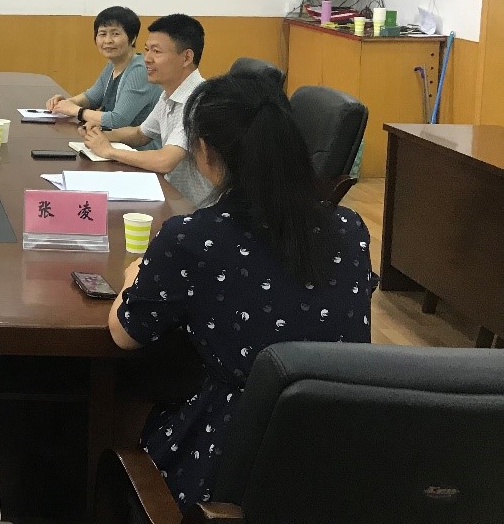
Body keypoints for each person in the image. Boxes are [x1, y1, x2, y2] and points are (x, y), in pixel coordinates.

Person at [107, 73, 374, 511]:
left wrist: (133, 278)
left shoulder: (193, 237)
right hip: (343, 457)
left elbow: (125, 333)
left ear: (205, 151)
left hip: (225, 464)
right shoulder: (350, 229)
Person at [82, 14, 213, 206]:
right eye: (146, 50)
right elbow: (140, 134)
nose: (147, 59)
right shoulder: (168, 93)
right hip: (172, 197)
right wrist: (100, 134)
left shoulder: (199, 101)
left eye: (156, 52)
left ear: (186, 57)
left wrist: (109, 151)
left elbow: (165, 161)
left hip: (196, 208)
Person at [44, 5, 161, 132]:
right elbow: (92, 98)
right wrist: (66, 103)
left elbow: (117, 121)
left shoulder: (140, 70)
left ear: (132, 39)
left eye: (115, 34)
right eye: (102, 34)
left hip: (137, 144)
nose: (108, 40)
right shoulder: (112, 65)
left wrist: (76, 110)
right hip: (112, 139)